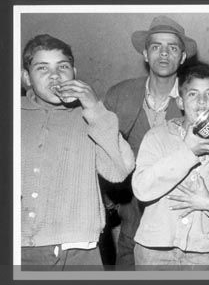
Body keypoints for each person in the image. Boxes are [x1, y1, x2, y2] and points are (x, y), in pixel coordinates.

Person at [21, 34, 135, 270]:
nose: (55, 75)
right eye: (42, 68)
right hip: (21, 248)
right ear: (26, 78)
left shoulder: (91, 116)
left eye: (62, 67)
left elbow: (119, 172)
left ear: (74, 71)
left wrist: (95, 108)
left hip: (80, 250)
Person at [103, 15, 197, 268]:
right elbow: (100, 148)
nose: (164, 54)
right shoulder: (119, 95)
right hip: (130, 222)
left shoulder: (196, 98)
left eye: (172, 48)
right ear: (145, 54)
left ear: (183, 56)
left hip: (179, 225)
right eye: (156, 47)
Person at [131, 63, 209, 270]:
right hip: (154, 250)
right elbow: (141, 188)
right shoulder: (157, 137)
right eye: (193, 94)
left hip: (202, 253)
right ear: (181, 102)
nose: (202, 101)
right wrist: (188, 151)